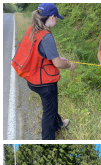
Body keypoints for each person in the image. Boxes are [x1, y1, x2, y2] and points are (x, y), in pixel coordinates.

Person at [11, 3, 75, 140]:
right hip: (44, 83)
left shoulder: (33, 29)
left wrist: (58, 57)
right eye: (56, 17)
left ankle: (58, 125)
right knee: (49, 112)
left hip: (32, 79)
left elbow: (40, 53)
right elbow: (57, 63)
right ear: (51, 17)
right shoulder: (47, 36)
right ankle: (48, 140)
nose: (56, 20)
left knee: (52, 105)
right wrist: (69, 65)